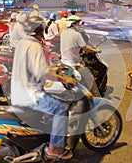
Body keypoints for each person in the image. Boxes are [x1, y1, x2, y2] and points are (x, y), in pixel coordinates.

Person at [11, 16, 76, 160]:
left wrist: (52, 69)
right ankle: (55, 149)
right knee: (61, 109)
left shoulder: (22, 43)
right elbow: (42, 72)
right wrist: (63, 78)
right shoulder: (34, 46)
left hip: (18, 91)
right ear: (41, 30)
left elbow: (36, 68)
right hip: (30, 94)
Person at [60, 15, 101, 97]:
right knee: (90, 79)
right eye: (78, 23)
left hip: (63, 62)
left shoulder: (63, 33)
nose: (79, 25)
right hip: (74, 63)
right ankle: (97, 98)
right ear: (73, 24)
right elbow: (85, 47)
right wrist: (96, 50)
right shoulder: (77, 34)